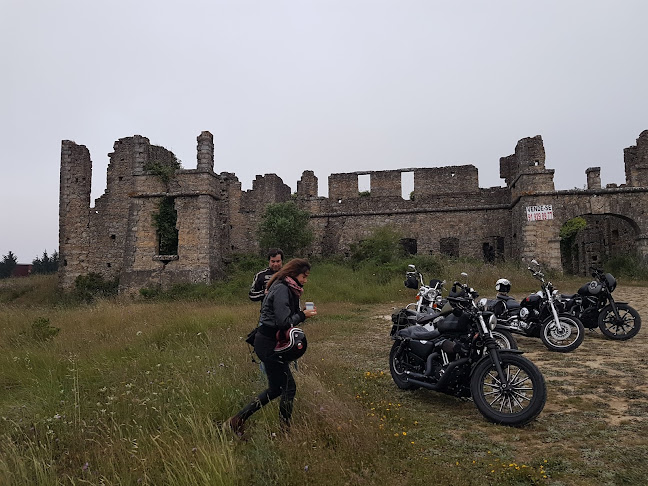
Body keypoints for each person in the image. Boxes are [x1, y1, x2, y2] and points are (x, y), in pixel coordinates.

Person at [228, 258, 317, 438]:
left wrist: (301, 314)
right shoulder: (283, 289)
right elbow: (284, 322)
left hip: (268, 342)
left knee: (276, 389)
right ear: (294, 274)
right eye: (304, 276)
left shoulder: (286, 287)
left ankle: (237, 420)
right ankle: (285, 432)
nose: (306, 280)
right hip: (268, 344)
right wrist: (302, 315)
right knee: (288, 388)